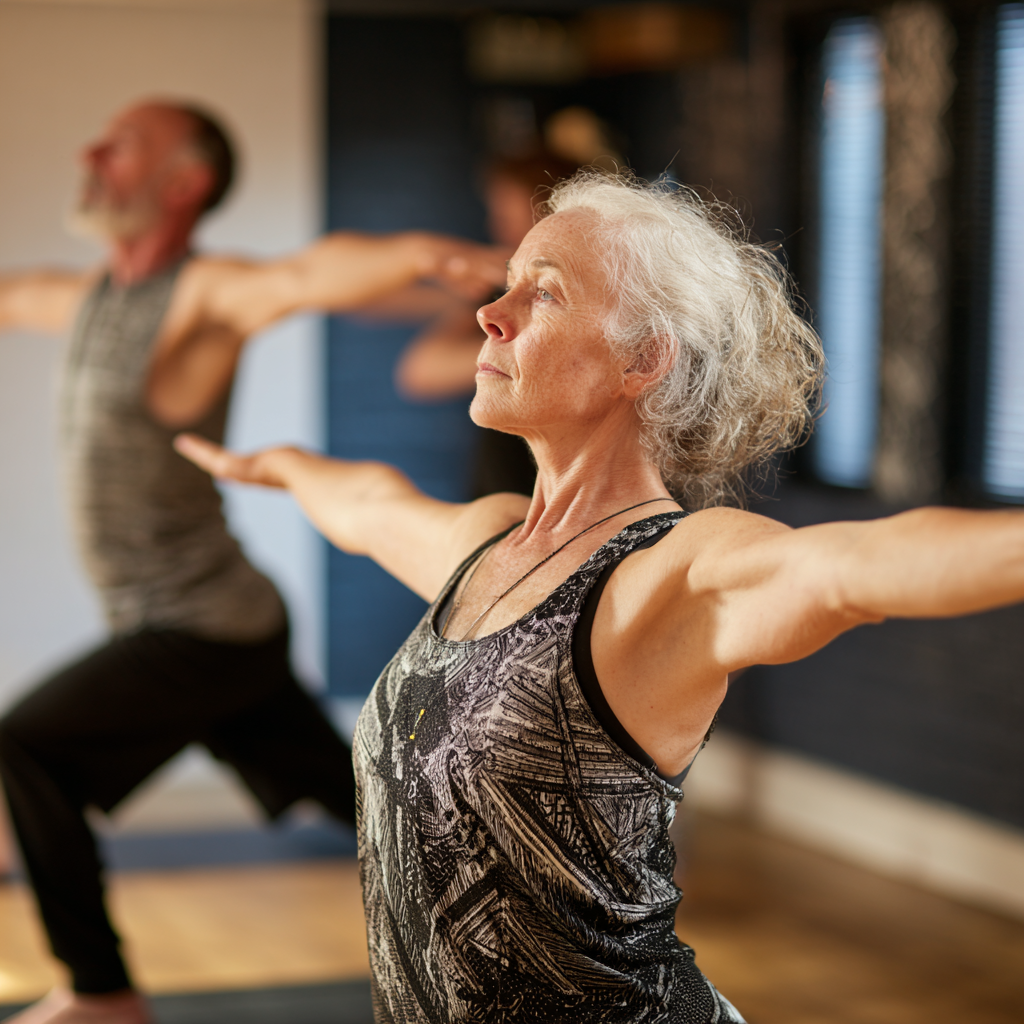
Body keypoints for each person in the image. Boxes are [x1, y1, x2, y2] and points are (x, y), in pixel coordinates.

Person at [179, 169, 1024, 1024]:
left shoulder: (666, 575)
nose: (492, 311)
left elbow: (854, 568)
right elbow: (368, 507)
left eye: (543, 293)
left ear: (641, 359)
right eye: (505, 282)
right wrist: (274, 465)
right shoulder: (488, 549)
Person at [0, 99, 505, 1024]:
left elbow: (311, 274)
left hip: (200, 629)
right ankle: (523, 906)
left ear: (183, 182)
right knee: (366, 799)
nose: (91, 150)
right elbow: (7, 291)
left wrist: (441, 262)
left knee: (26, 746)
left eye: (122, 144)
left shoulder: (204, 295)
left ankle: (101, 993)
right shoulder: (93, 301)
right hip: (221, 627)